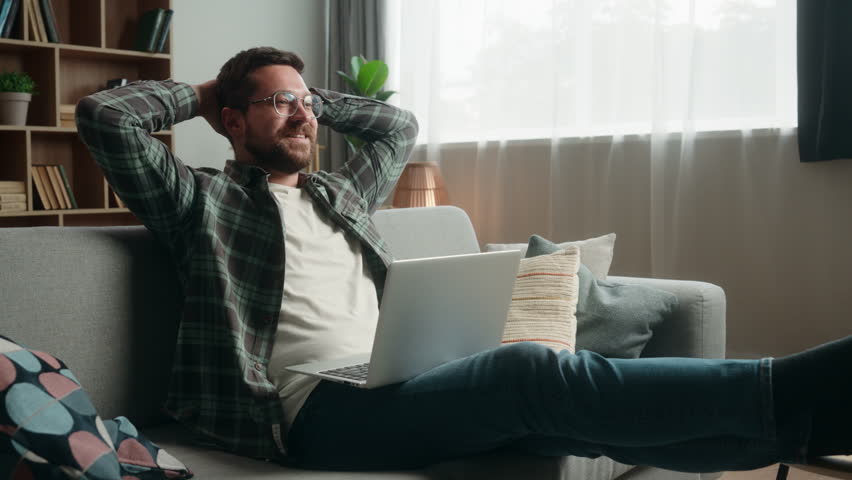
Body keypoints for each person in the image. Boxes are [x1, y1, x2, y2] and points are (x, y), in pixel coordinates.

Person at [75, 46, 851, 473]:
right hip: (306, 415)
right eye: (279, 103)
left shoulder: (341, 195)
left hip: (392, 380)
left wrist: (310, 96)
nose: (303, 113)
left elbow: (397, 125)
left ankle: (797, 428)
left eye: (306, 103)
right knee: (526, 371)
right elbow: (104, 116)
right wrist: (209, 89)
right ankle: (787, 388)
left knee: (577, 428)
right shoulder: (199, 201)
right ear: (232, 120)